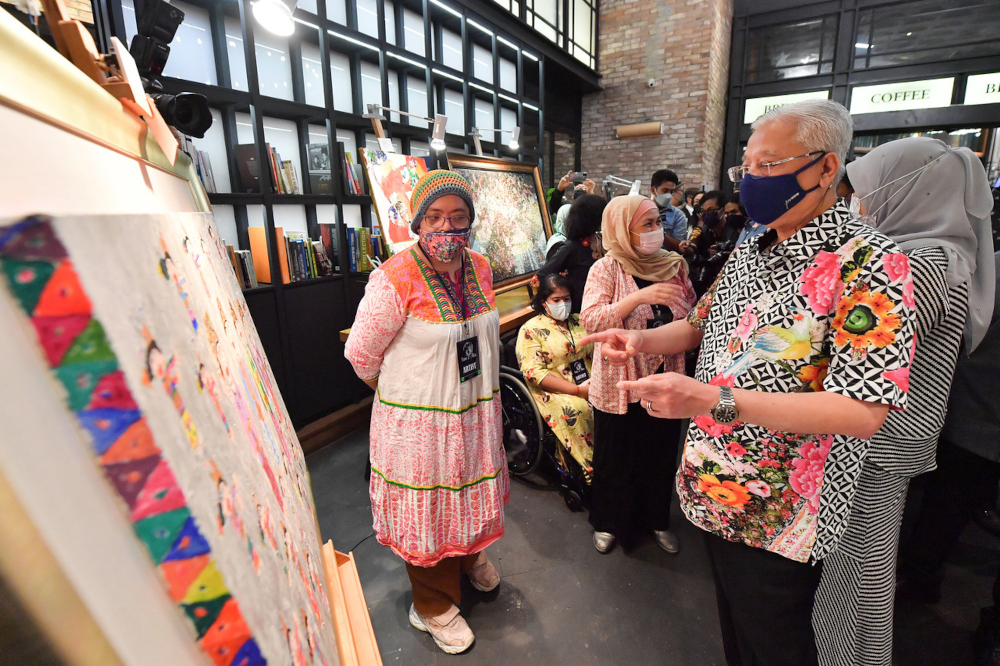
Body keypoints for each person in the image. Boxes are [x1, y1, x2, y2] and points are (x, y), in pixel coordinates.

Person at [580, 99, 915, 665]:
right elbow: (697, 326)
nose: (753, 180)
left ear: (826, 168)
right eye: (747, 168)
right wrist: (640, 341)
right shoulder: (753, 245)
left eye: (769, 165)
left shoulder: (872, 263)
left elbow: (863, 411)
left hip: (781, 506)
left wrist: (713, 399)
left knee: (776, 640)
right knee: (737, 634)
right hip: (711, 481)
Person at [809, 136, 996, 666]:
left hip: (875, 439)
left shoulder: (919, 264)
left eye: (865, 192)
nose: (857, 205)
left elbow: (861, 355)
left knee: (856, 576)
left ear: (908, 191)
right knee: (862, 565)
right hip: (893, 435)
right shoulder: (951, 253)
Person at [344, 170, 506, 655]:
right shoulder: (395, 277)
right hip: (421, 426)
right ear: (417, 224)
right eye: (434, 218)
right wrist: (405, 398)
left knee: (472, 491)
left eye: (458, 217)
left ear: (471, 223)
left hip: (475, 412)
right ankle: (432, 605)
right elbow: (360, 354)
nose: (447, 227)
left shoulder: (479, 266)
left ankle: (468, 558)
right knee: (432, 509)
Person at [895, 254, 1000, 666]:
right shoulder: (981, 265)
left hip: (974, 414)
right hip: (978, 414)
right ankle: (922, 578)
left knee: (944, 509)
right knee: (945, 509)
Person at [579, 195, 696, 555]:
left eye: (658, 222)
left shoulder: (674, 265)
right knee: (617, 455)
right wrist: (635, 298)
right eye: (646, 225)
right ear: (622, 230)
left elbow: (693, 315)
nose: (656, 231)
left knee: (660, 453)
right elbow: (591, 319)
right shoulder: (607, 268)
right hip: (619, 382)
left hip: (665, 374)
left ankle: (657, 519)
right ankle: (608, 522)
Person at [515, 272, 595, 481]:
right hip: (552, 389)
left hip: (588, 380)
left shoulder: (579, 321)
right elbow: (533, 373)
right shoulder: (531, 330)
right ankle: (589, 470)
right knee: (580, 409)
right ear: (544, 302)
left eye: (566, 299)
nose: (563, 304)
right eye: (556, 300)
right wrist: (578, 390)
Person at [537, 193, 607, 314]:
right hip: (582, 309)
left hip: (605, 304)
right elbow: (543, 274)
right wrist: (561, 293)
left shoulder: (600, 239)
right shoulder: (572, 246)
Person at [684, 190, 742, 295]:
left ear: (722, 210)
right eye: (703, 211)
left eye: (710, 210)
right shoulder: (702, 230)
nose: (706, 214)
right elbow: (692, 245)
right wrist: (686, 247)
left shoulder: (735, 229)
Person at [650, 169, 688, 251]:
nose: (669, 195)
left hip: (666, 260)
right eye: (665, 191)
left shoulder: (678, 216)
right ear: (653, 190)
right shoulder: (641, 210)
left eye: (672, 192)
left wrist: (659, 231)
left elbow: (680, 247)